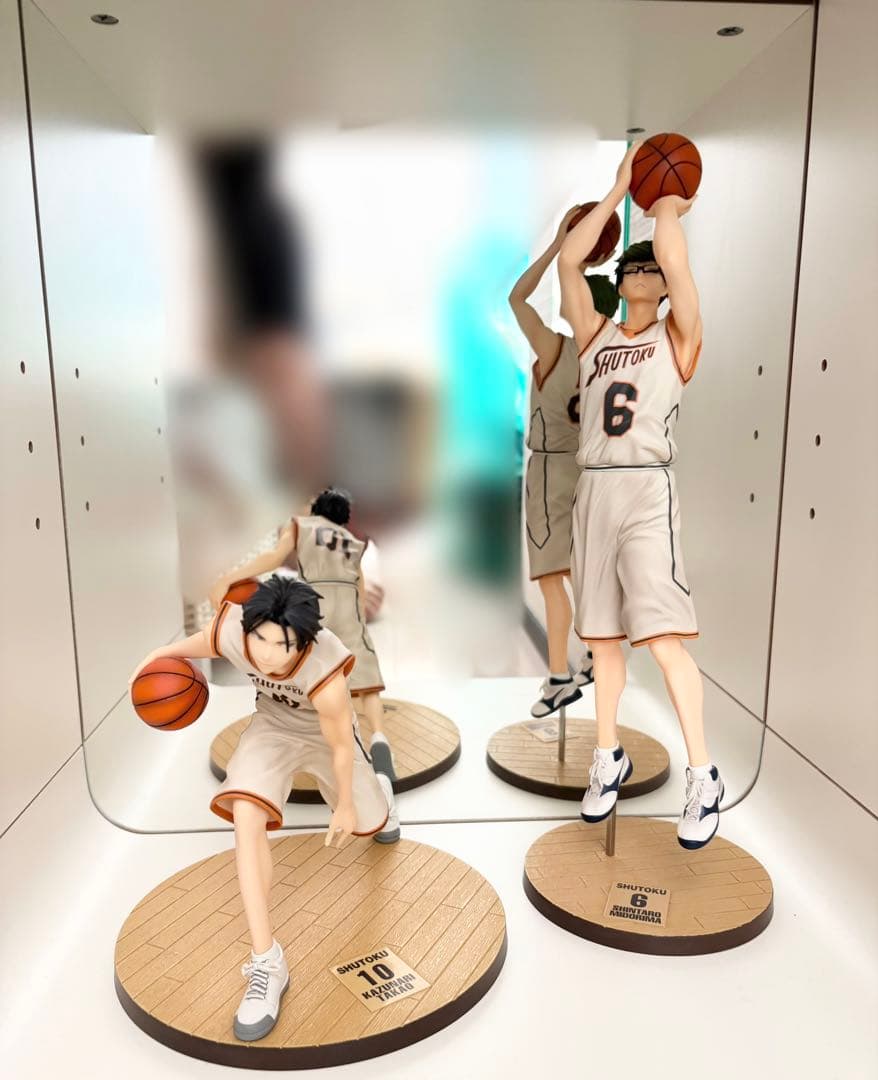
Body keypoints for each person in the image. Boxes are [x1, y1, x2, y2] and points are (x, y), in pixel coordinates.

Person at [129, 575, 399, 1041]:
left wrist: (344, 806)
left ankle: (380, 792)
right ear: (248, 629)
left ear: (305, 642)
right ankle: (266, 961)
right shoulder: (235, 630)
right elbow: (194, 646)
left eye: (283, 645)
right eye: (261, 639)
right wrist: (154, 660)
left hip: (323, 736)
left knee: (371, 820)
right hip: (272, 728)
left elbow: (339, 745)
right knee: (245, 815)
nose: (269, 654)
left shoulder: (325, 671)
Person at [558, 142, 723, 850]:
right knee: (602, 642)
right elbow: (570, 263)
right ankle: (608, 757)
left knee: (660, 639)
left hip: (647, 490)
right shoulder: (594, 335)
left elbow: (677, 262)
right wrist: (619, 185)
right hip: (594, 491)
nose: (639, 271)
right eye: (630, 266)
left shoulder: (677, 336)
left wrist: (665, 205)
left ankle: (703, 775)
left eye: (648, 266)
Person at [509, 204, 620, 718]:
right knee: (580, 572)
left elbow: (516, 298)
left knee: (552, 579)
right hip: (589, 471)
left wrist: (559, 245)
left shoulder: (556, 348)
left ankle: (558, 676)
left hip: (552, 468)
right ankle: (596, 651)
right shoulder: (611, 360)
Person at [210, 488, 393, 775]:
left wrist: (231, 577)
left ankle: (315, 740)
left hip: (315, 605)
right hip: (349, 610)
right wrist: (358, 618)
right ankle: (379, 737)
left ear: (316, 508)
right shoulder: (351, 540)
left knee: (313, 677)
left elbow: (273, 557)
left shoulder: (301, 525)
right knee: (366, 683)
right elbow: (359, 584)